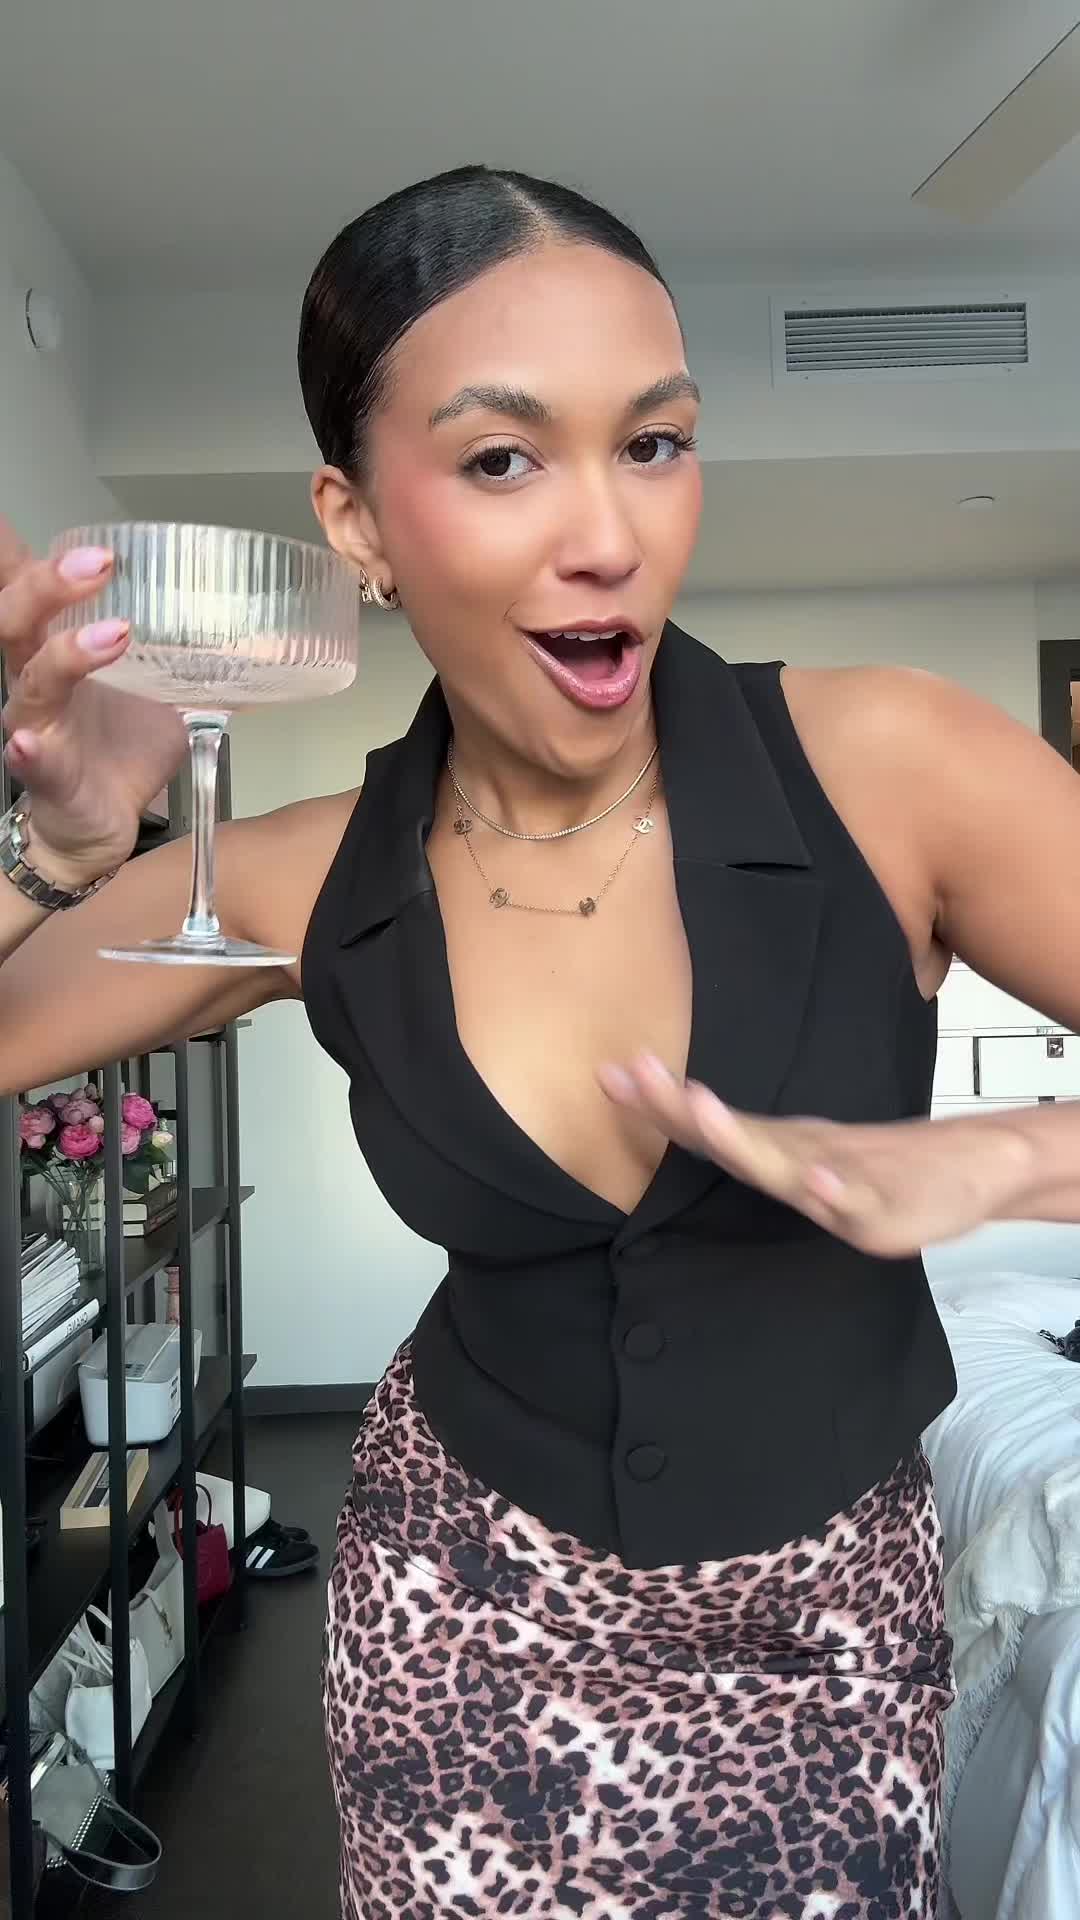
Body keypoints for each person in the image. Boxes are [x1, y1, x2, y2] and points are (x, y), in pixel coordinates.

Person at [3, 165, 1080, 1920]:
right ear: (356, 525)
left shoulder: (896, 767)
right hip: (457, 1624)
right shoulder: (296, 875)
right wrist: (54, 849)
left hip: (826, 1650)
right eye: (504, 459)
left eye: (654, 443)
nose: (610, 535)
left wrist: (1007, 1158)